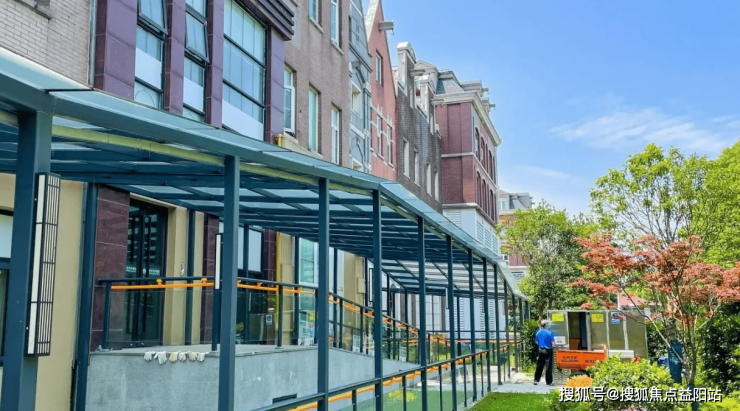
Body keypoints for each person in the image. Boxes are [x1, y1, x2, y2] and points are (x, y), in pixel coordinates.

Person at [534, 319, 555, 385]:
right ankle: (549, 382)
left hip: (540, 350)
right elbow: (553, 344)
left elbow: (536, 341)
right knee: (548, 366)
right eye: (547, 324)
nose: (548, 325)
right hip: (548, 350)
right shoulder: (549, 333)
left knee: (539, 365)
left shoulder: (538, 332)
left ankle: (536, 380)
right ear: (545, 325)